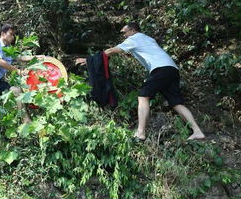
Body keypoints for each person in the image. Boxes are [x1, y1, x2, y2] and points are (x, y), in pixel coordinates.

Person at [77, 22, 205, 141]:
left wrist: (89, 60)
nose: (124, 35)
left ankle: (140, 132)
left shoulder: (135, 38)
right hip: (172, 69)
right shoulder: (149, 39)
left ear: (133, 31)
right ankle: (197, 131)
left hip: (160, 69)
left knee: (143, 96)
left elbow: (111, 51)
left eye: (124, 32)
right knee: (176, 103)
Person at [0, 24, 40, 144]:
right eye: (11, 34)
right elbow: (0, 62)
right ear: (3, 34)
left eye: (13, 35)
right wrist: (18, 71)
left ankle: (25, 120)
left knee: (17, 90)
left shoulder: (9, 49)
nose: (13, 37)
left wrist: (38, 57)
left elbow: (21, 57)